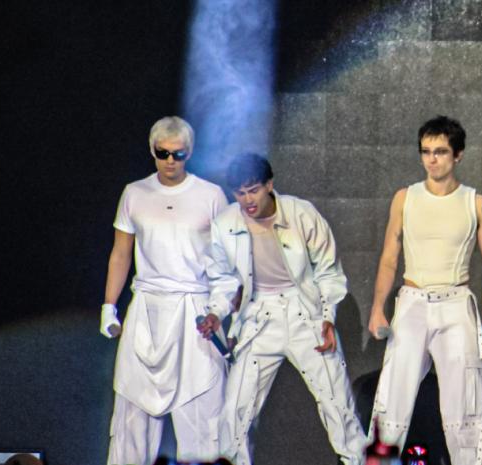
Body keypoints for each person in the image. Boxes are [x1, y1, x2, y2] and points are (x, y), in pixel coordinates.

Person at [198, 153, 366, 465]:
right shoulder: (225, 224)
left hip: (305, 313)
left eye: (253, 190)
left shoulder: (301, 213)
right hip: (259, 317)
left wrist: (328, 318)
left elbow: (328, 271)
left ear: (269, 185)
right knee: (235, 412)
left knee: (338, 405)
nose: (248, 200)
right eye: (240, 193)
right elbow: (223, 280)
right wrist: (215, 313)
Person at [366, 115, 482, 465]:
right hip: (412, 303)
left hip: (456, 305)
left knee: (464, 409)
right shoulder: (405, 198)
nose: (432, 159)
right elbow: (389, 257)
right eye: (426, 151)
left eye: (440, 151)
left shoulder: (477, 202)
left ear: (458, 155)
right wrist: (377, 307)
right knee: (391, 403)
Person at [101, 116, 229, 464]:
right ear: (152, 151)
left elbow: (227, 263)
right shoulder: (135, 193)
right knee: (132, 418)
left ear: (190, 152)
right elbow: (121, 253)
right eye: (163, 153)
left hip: (194, 310)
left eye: (178, 154)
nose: (170, 161)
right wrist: (109, 307)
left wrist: (219, 310)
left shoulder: (211, 196)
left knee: (201, 414)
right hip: (147, 311)